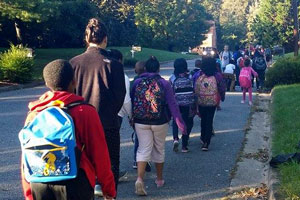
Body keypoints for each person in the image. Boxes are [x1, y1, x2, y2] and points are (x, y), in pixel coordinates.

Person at [21, 59, 116, 200]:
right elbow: (100, 153)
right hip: (76, 183)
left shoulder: (35, 113)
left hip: (39, 181)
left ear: (47, 84)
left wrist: (29, 192)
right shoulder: (84, 111)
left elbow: (26, 155)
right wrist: (108, 190)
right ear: (74, 81)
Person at [70, 18, 126, 193]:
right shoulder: (114, 65)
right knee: (110, 164)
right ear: (105, 39)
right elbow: (120, 95)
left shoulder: (73, 63)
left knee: (81, 165)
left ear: (86, 38)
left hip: (79, 123)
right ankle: (110, 194)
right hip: (107, 121)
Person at [131, 56, 186, 196]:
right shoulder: (164, 83)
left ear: (145, 68)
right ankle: (159, 179)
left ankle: (139, 179)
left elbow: (131, 100)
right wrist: (179, 121)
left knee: (143, 149)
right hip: (160, 121)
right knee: (159, 149)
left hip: (140, 120)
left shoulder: (136, 82)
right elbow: (172, 104)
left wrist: (132, 118)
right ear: (158, 69)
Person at [193, 57, 226, 151]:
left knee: (203, 119)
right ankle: (207, 142)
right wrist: (222, 97)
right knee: (209, 120)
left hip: (201, 100)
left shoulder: (198, 74)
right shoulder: (217, 75)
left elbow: (194, 86)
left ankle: (202, 137)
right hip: (212, 101)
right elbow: (222, 87)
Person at [169, 58, 195, 153]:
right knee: (188, 122)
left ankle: (175, 138)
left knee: (176, 121)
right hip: (188, 104)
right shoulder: (190, 76)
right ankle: (184, 145)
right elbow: (194, 89)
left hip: (177, 104)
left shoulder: (173, 77)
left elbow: (170, 91)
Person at [130, 61, 152, 172]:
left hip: (137, 114)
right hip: (148, 113)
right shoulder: (149, 81)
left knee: (139, 138)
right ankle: (145, 160)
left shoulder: (134, 81)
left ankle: (136, 159)